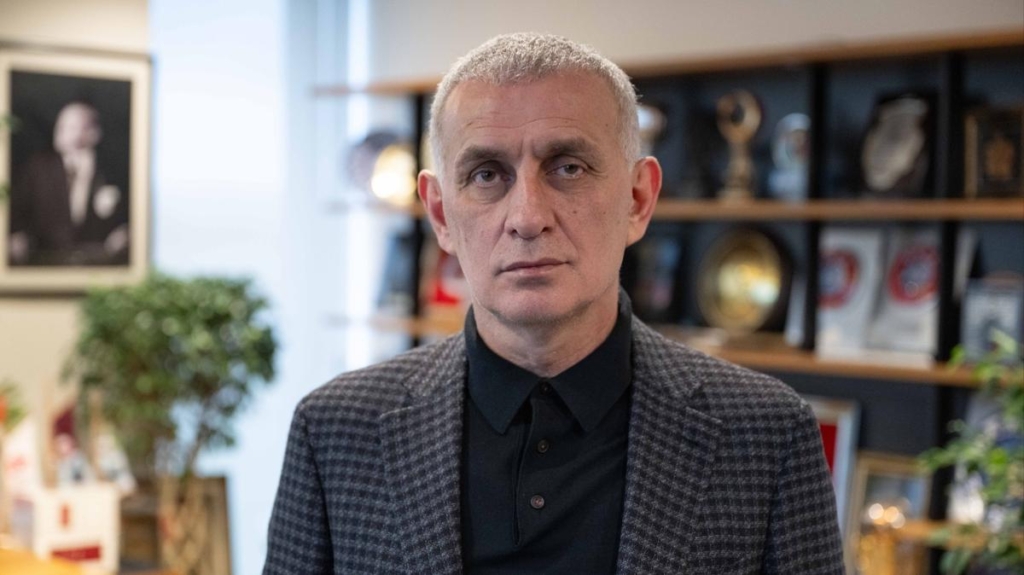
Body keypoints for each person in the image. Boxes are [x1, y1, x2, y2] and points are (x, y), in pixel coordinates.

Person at [264, 33, 844, 574]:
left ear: (638, 199)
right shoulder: (335, 432)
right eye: (486, 174)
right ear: (440, 213)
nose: (527, 217)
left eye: (568, 167)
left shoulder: (767, 436)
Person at [7, 101, 129, 267]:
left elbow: (129, 216)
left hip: (98, 262)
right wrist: (18, 236)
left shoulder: (112, 170)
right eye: (61, 126)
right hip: (45, 258)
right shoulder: (38, 168)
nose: (61, 132)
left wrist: (125, 233)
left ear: (94, 133)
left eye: (71, 127)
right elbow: (18, 209)